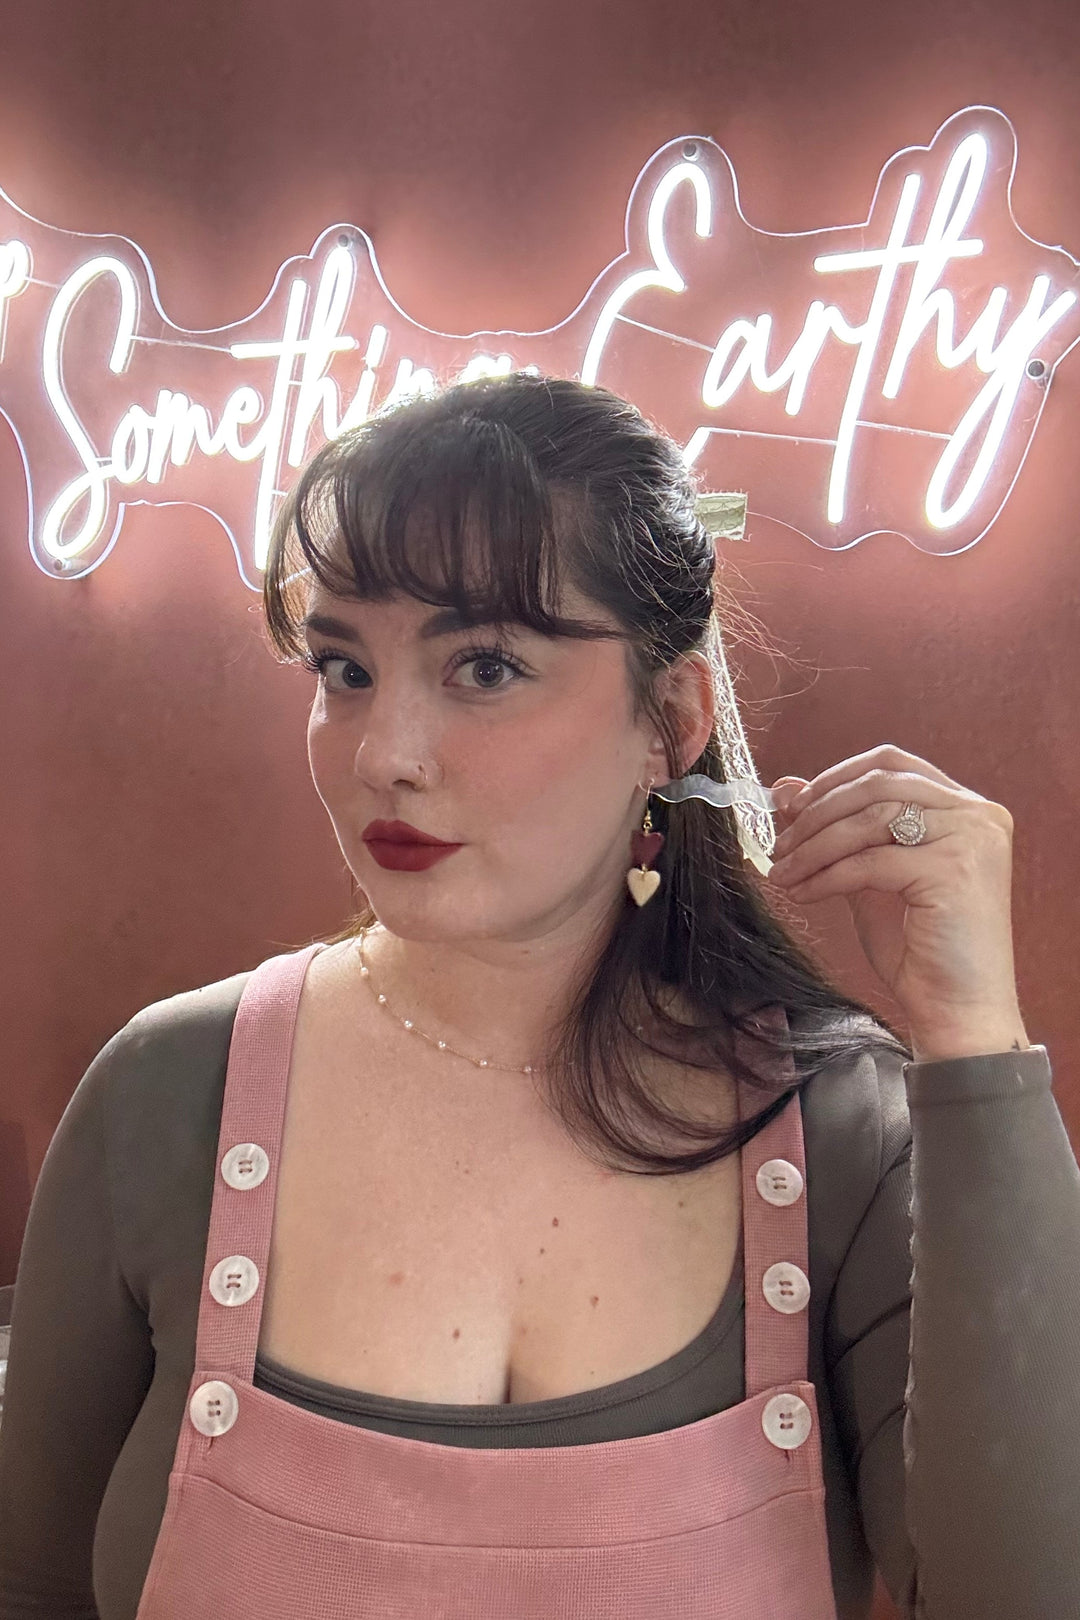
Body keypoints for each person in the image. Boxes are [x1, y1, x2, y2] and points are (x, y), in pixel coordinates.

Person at [1, 372, 1078, 1620]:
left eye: (488, 667)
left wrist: (974, 1053)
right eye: (343, 667)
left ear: (669, 722)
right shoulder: (167, 1095)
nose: (382, 753)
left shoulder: (835, 1131)